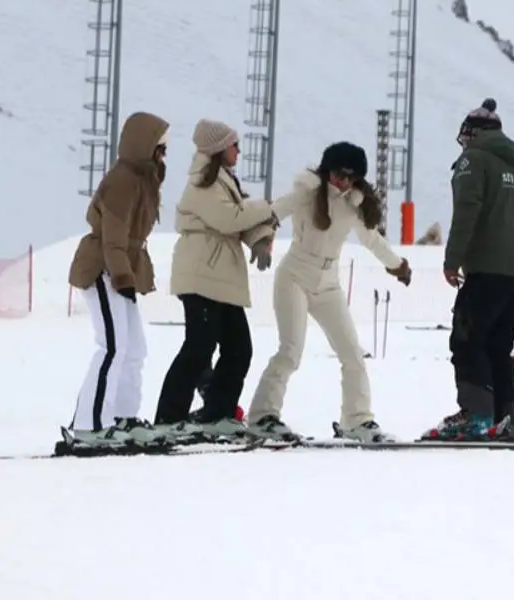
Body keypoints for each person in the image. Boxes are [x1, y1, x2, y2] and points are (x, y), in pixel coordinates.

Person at [245, 141, 411, 444]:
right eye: (337, 173)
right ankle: (262, 417)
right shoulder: (308, 191)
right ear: (327, 170)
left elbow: (372, 241)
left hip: (328, 284)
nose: (342, 181)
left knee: (352, 354)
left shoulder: (355, 204)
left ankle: (357, 421)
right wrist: (261, 238)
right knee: (290, 351)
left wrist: (398, 266)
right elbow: (273, 213)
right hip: (295, 275)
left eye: (350, 176)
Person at [153, 119, 277, 440]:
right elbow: (229, 218)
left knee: (239, 348)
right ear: (220, 148)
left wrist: (261, 237)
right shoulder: (202, 182)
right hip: (201, 275)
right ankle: (169, 417)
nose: (239, 150)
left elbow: (237, 219)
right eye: (234, 145)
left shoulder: (223, 179)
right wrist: (270, 209)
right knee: (199, 347)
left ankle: (218, 413)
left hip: (220, 278)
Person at [427, 98, 514, 441]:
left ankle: (476, 415)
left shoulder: (473, 160)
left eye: (464, 137)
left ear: (472, 134)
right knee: (498, 346)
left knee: (467, 340)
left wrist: (452, 260)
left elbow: (466, 211)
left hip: (488, 268)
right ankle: (504, 415)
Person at [64, 111, 170, 448]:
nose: (164, 155)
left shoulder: (143, 179)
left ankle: (122, 417)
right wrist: (122, 273)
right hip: (102, 268)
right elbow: (112, 235)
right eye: (160, 148)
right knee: (113, 345)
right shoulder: (123, 179)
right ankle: (89, 425)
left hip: (120, 269)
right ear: (145, 145)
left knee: (134, 347)